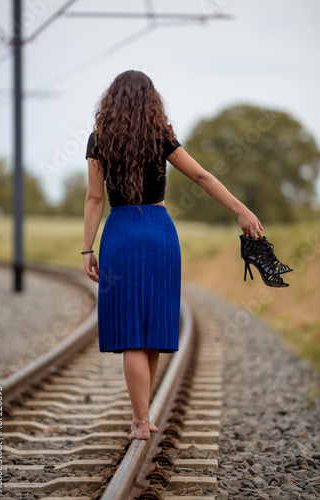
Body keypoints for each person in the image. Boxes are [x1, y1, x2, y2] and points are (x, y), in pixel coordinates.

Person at [83, 70, 263, 440]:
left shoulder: (99, 140)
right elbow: (203, 177)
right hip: (160, 233)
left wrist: (87, 248)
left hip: (120, 234)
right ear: (152, 102)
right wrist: (241, 210)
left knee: (131, 333)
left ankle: (139, 421)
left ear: (111, 102)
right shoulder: (160, 137)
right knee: (152, 330)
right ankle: (143, 418)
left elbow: (95, 198)